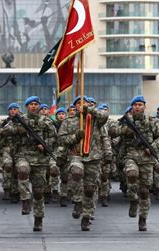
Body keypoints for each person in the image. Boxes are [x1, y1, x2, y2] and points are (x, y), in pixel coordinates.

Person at [0, 96, 57, 232]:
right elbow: (3, 131)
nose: (33, 106)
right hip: (23, 154)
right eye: (31, 104)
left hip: (40, 159)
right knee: (22, 170)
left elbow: (54, 137)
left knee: (38, 192)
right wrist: (17, 130)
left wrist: (45, 145)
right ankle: (25, 199)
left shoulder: (46, 121)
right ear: (26, 107)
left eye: (36, 104)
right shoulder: (20, 120)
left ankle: (38, 219)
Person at [56, 96, 111, 231]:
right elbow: (61, 140)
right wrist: (75, 137)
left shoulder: (96, 119)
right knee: (76, 173)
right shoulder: (69, 121)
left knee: (90, 189)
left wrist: (89, 110)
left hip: (93, 157)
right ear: (75, 106)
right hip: (76, 155)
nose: (82, 105)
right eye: (79, 103)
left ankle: (86, 216)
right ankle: (77, 200)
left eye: (84, 103)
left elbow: (105, 115)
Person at [112, 96, 159, 231]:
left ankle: (143, 218)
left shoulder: (153, 121)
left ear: (144, 106)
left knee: (145, 191)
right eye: (135, 104)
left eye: (140, 104)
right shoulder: (126, 121)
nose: (137, 107)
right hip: (131, 156)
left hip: (147, 159)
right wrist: (126, 129)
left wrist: (152, 146)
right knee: (131, 174)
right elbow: (113, 132)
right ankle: (133, 199)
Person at [0, 102, 20, 203]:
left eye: (15, 109)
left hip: (20, 149)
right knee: (7, 166)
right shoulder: (4, 122)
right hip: (7, 148)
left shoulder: (23, 121)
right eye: (11, 109)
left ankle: (16, 191)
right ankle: (7, 189)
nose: (13, 111)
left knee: (17, 170)